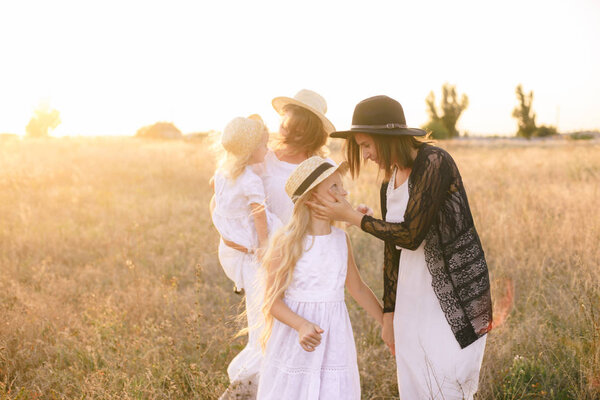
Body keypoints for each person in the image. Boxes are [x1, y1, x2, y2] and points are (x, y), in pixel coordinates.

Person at [307, 95, 493, 399]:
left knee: (447, 384)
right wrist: (389, 314)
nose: (365, 155)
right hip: (411, 295)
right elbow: (392, 252)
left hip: (452, 297)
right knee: (416, 383)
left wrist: (352, 218)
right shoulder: (388, 182)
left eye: (366, 145)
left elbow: (411, 235)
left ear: (387, 137)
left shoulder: (435, 161)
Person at [257, 156, 383, 400]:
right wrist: (301, 325)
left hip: (333, 338)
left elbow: (357, 289)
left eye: (341, 185)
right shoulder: (287, 242)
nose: (344, 191)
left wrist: (387, 324)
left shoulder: (340, 239)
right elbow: (272, 302)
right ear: (312, 198)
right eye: (334, 187)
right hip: (296, 339)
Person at [210, 115, 281, 399]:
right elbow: (258, 213)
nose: (268, 149)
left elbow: (220, 204)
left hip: (233, 251)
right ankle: (251, 383)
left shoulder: (223, 174)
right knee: (263, 319)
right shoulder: (250, 179)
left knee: (260, 315)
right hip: (253, 253)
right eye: (264, 144)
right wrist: (265, 246)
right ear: (252, 150)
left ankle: (258, 379)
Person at [253, 89, 335, 224]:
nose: (290, 134)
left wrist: (354, 214)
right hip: (263, 243)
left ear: (313, 133)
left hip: (304, 244)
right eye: (286, 126)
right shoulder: (261, 159)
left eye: (299, 130)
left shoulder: (325, 168)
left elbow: (333, 215)